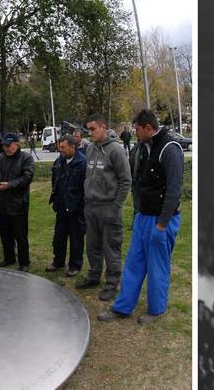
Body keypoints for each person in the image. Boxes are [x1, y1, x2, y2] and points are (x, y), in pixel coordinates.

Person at [98, 109, 184, 324]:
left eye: (137, 129)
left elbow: (174, 190)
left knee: (157, 267)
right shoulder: (143, 148)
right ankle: (123, 307)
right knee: (134, 264)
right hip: (143, 217)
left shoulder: (169, 149)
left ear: (148, 128)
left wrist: (162, 225)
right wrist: (138, 214)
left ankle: (156, 310)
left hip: (162, 220)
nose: (134, 132)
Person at [76, 113, 132, 301]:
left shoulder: (116, 150)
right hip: (91, 207)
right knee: (92, 246)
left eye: (92, 129)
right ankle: (93, 276)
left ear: (103, 127)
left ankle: (112, 283)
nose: (89, 132)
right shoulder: (90, 148)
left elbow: (126, 180)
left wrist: (116, 206)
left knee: (111, 248)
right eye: (88, 129)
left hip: (109, 207)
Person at [0, 132, 34, 272]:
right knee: (5, 234)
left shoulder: (26, 158)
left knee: (20, 235)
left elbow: (27, 177)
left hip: (19, 204)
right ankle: (8, 258)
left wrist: (10, 185)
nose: (6, 148)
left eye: (9, 145)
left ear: (17, 144)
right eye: (4, 145)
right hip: (1, 204)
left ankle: (24, 262)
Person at [46, 135, 87, 276]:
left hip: (76, 208)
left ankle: (75, 265)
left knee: (76, 238)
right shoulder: (59, 162)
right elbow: (55, 181)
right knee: (59, 236)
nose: (60, 150)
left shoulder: (82, 163)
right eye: (59, 147)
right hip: (61, 206)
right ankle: (58, 261)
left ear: (72, 146)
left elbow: (85, 188)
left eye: (63, 147)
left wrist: (80, 205)